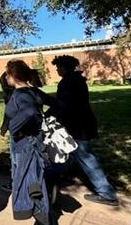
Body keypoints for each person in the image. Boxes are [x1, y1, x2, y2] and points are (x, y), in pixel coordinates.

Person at [5, 59, 66, 225]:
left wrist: (14, 127)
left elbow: (30, 112)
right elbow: (58, 105)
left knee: (35, 193)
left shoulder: (20, 95)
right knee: (38, 190)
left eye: (7, 74)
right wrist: (43, 119)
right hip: (35, 145)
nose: (6, 78)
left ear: (13, 76)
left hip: (26, 150)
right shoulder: (34, 92)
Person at [50, 55, 119, 207]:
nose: (57, 70)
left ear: (64, 67)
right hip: (81, 124)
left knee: (86, 158)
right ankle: (56, 178)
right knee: (69, 155)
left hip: (76, 126)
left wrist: (47, 114)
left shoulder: (67, 82)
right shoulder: (77, 80)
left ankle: (106, 193)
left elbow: (62, 105)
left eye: (58, 67)